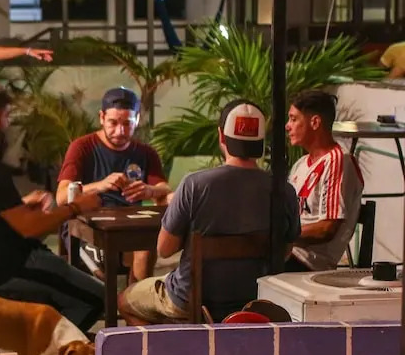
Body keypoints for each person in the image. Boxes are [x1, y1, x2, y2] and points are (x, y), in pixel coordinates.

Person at [118, 100, 301, 325]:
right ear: (261, 141)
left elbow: (164, 249)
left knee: (125, 300)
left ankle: (170, 346)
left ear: (221, 136)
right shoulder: (285, 191)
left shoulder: (194, 185)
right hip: (258, 300)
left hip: (191, 298)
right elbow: (285, 252)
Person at [0, 82, 105, 331]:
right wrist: (76, 207)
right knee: (98, 298)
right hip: (8, 266)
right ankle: (45, 348)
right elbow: (31, 227)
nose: (8, 124)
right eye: (6, 116)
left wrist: (20, 204)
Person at [56, 87, 170, 283]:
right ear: (102, 117)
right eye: (113, 123)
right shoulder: (82, 147)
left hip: (128, 224)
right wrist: (100, 185)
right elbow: (61, 197)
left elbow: (164, 189)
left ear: (137, 119)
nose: (120, 131)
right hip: (87, 224)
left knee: (146, 245)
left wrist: (149, 191)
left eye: (127, 123)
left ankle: (134, 298)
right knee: (101, 269)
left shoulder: (145, 152)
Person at [285, 90, 364, 271]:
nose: (287, 126)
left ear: (315, 122)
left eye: (293, 119)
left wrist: (280, 236)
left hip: (308, 262)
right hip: (287, 253)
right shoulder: (300, 164)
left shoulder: (338, 161)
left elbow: (326, 229)